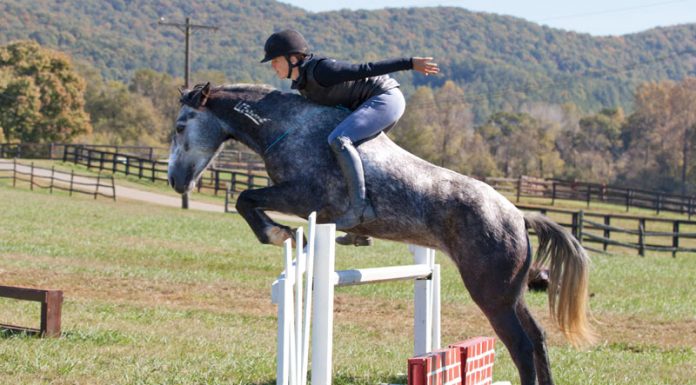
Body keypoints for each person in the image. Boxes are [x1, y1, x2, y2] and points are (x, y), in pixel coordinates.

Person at [261, 29, 439, 230]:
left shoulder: (321, 70)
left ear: (292, 58)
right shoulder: (303, 83)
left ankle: (360, 209)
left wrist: (410, 62)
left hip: (384, 99)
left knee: (340, 140)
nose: (273, 66)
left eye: (275, 60)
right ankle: (362, 230)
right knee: (345, 157)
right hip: (370, 105)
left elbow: (366, 68)